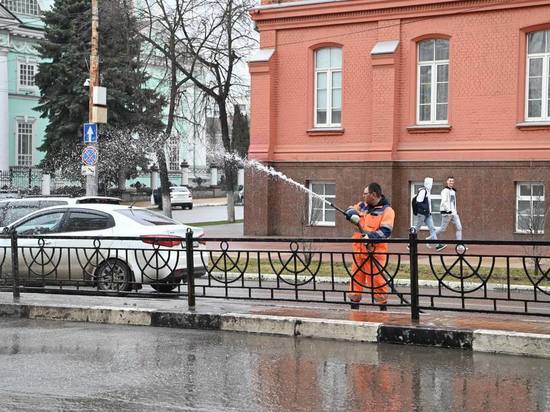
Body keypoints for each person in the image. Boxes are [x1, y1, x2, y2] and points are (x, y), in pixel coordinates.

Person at [344, 183, 395, 311]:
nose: (363, 196)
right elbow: (349, 209)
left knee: (377, 281)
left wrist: (371, 237)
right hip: (359, 252)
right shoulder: (362, 206)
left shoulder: (387, 211)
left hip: (375, 253)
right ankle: (354, 306)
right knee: (356, 278)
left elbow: (385, 231)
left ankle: (382, 308)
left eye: (365, 193)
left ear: (373, 195)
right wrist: (351, 214)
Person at [435, 176, 462, 251]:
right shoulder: (444, 191)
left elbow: (453, 202)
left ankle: (459, 245)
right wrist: (449, 210)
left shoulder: (453, 191)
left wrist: (454, 211)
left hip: (454, 213)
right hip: (447, 213)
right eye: (450, 181)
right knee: (442, 229)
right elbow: (443, 202)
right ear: (447, 182)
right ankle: (430, 237)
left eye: (452, 181)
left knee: (459, 227)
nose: (451, 182)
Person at [411, 177, 438, 249]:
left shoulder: (428, 192)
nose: (431, 185)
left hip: (428, 214)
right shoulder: (423, 191)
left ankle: (437, 245)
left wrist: (429, 211)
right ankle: (410, 243)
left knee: (432, 228)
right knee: (417, 228)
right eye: (431, 183)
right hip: (422, 214)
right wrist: (425, 210)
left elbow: (428, 204)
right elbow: (418, 201)